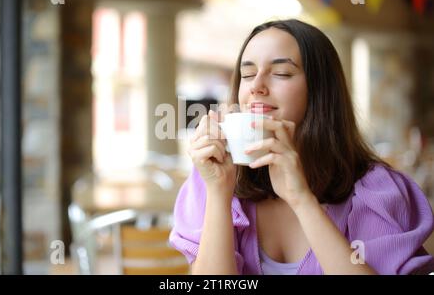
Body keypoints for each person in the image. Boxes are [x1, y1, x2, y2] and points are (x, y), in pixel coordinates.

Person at [169, 19, 434, 275]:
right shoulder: (214, 179)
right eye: (247, 74)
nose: (256, 86)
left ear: (320, 91)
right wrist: (218, 193)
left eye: (281, 73)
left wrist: (302, 200)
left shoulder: (377, 191)